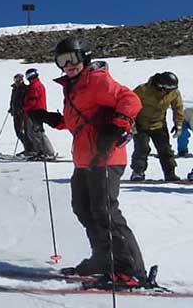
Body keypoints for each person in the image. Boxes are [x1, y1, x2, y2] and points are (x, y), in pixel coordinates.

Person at [33, 36, 149, 287]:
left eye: (72, 59)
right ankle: (103, 258)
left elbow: (131, 100)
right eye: (61, 61)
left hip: (106, 156)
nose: (68, 65)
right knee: (83, 208)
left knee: (106, 211)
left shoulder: (96, 80)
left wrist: (119, 123)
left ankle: (130, 269)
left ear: (84, 57)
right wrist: (52, 119)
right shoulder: (73, 87)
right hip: (84, 161)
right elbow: (76, 120)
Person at [130, 72, 183, 181]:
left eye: (172, 89)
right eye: (168, 89)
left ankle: (170, 173)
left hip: (159, 125)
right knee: (142, 149)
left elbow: (178, 108)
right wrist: (131, 124)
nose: (169, 92)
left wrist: (178, 124)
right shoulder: (143, 90)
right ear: (161, 85)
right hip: (141, 125)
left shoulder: (173, 93)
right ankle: (138, 172)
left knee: (165, 149)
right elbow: (130, 105)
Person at [22, 68, 56, 161]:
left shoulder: (35, 86)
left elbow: (32, 100)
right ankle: (40, 151)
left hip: (35, 112)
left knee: (38, 133)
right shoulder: (35, 85)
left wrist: (24, 108)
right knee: (34, 133)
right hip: (35, 111)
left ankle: (48, 152)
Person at [9, 73, 32, 155]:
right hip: (15, 112)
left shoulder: (24, 88)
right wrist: (11, 108)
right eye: (15, 80)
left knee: (23, 132)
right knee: (18, 132)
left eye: (18, 80)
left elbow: (24, 101)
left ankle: (29, 149)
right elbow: (13, 100)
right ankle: (27, 148)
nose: (17, 82)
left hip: (22, 113)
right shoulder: (14, 88)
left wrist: (22, 109)